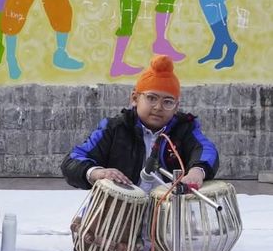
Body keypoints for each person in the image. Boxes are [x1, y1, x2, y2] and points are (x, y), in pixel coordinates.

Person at [61, 54, 219, 191]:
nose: (158, 107)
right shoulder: (114, 128)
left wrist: (197, 171)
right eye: (151, 98)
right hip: (120, 213)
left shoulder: (184, 129)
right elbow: (73, 160)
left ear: (176, 106)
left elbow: (206, 150)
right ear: (135, 98)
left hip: (169, 211)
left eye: (168, 102)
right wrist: (96, 173)